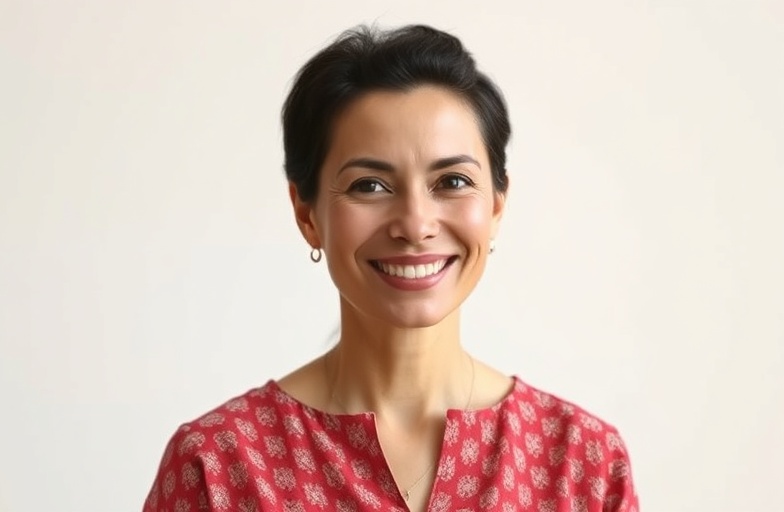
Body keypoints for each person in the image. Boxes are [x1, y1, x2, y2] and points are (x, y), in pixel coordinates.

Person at [142, 24, 638, 512]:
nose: (416, 224)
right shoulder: (217, 467)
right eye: (370, 186)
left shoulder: (582, 465)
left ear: (496, 207)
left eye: (452, 180)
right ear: (307, 214)